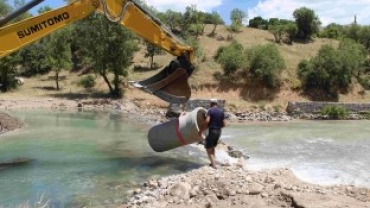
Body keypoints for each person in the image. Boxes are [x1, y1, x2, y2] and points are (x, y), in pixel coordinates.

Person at [198, 99, 226, 169]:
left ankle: (214, 165)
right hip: (219, 131)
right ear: (216, 104)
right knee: (212, 147)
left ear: (211, 104)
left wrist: (201, 131)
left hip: (212, 131)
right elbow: (224, 124)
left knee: (208, 148)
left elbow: (207, 121)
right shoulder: (221, 111)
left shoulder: (210, 110)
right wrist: (218, 128)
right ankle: (213, 162)